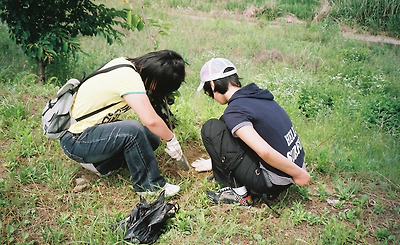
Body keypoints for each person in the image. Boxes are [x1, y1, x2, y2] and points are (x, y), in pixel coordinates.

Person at [60, 50, 187, 197]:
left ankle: (102, 165)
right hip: (76, 140)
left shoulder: (127, 65)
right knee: (133, 131)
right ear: (156, 79)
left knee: (151, 138)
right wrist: (171, 140)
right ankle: (150, 186)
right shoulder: (129, 78)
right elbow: (150, 120)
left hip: (91, 132)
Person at [196, 58, 310, 206]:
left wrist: (299, 174)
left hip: (273, 182)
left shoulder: (235, 111)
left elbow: (265, 152)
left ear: (212, 85)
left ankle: (237, 193)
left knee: (211, 128)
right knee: (225, 122)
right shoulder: (256, 96)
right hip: (293, 165)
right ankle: (226, 172)